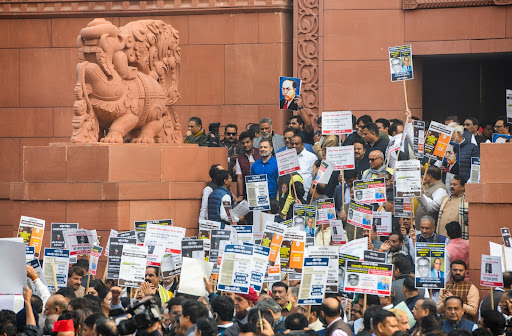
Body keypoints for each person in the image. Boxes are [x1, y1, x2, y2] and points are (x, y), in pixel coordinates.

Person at [235, 131, 261, 201]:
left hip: (262, 187)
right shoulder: (239, 159)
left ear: (252, 141)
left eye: (247, 142)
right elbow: (240, 178)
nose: (245, 145)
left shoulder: (261, 152)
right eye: (243, 143)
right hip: (249, 190)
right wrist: (241, 195)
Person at [291, 134, 317, 199]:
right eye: (292, 144)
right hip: (290, 197)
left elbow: (315, 177)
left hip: (306, 197)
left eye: (297, 144)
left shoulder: (311, 157)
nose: (294, 146)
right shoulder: (287, 157)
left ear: (302, 144)